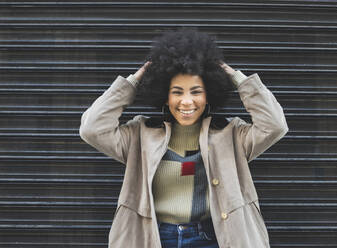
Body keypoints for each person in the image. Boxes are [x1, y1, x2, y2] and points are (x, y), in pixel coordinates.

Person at [79, 28, 288, 248]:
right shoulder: (139, 135)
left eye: (196, 91)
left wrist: (237, 78)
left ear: (208, 94)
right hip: (154, 237)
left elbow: (274, 125)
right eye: (177, 92)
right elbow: (92, 128)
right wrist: (132, 82)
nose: (187, 101)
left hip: (214, 236)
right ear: (165, 95)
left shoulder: (233, 134)